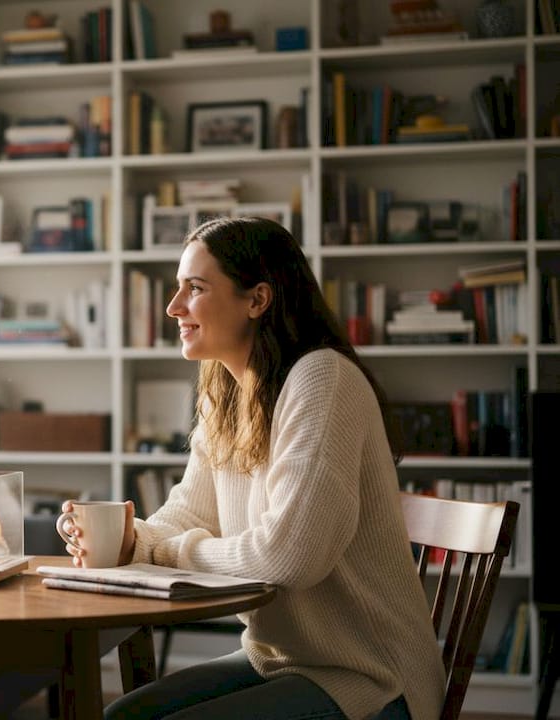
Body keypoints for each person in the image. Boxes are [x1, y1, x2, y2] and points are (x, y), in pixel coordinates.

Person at [61, 217, 445, 720]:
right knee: (120, 717)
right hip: (281, 658)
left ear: (257, 300)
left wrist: (158, 549)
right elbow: (187, 514)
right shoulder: (227, 393)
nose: (173, 307)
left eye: (194, 288)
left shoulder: (321, 380)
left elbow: (290, 556)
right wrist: (126, 536)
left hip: (373, 677)